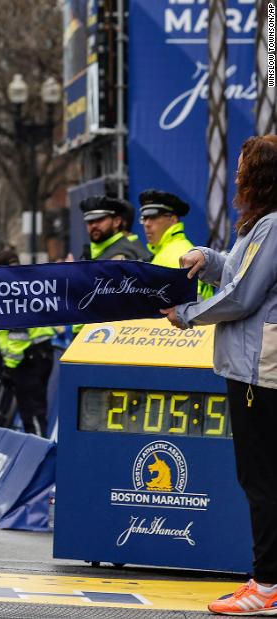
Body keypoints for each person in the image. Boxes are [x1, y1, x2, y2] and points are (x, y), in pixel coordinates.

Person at [162, 135, 277, 616]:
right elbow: (236, 273)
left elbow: (242, 296)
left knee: (261, 480)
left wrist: (186, 313)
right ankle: (266, 578)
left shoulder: (272, 224)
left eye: (243, 168)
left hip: (258, 371)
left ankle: (267, 585)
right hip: (252, 366)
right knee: (263, 477)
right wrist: (206, 259)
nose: (235, 177)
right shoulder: (262, 225)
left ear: (260, 176)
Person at [0, 249, 55, 437]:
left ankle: (38, 451)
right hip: (44, 352)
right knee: (39, 408)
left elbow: (14, 337)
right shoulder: (31, 283)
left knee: (30, 412)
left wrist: (9, 365)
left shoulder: (8, 291)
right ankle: (40, 442)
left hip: (26, 360)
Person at [139, 189, 213, 299]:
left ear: (173, 220)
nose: (147, 224)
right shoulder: (165, 251)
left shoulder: (181, 254)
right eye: (144, 218)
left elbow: (191, 306)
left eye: (153, 217)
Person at [78, 196, 151, 261]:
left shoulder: (122, 254)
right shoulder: (99, 251)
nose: (94, 225)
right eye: (90, 222)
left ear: (116, 222)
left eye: (100, 220)